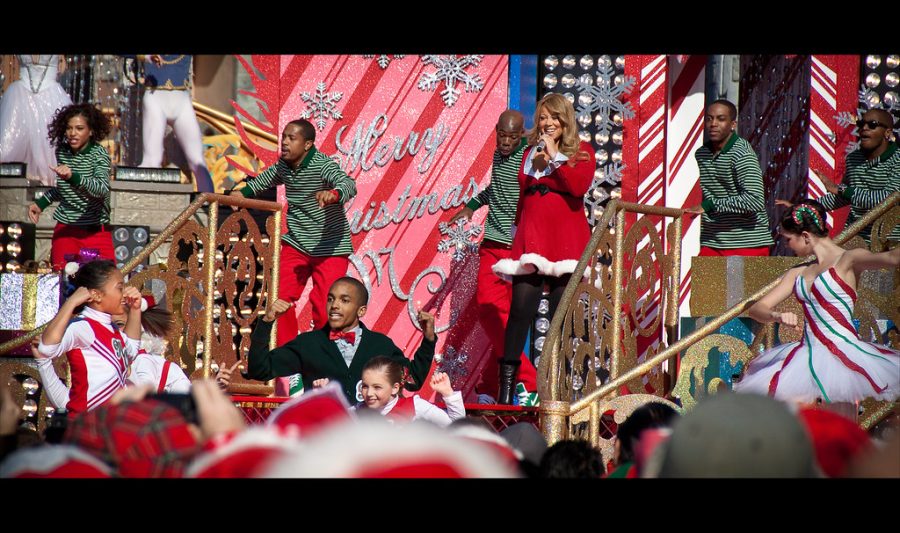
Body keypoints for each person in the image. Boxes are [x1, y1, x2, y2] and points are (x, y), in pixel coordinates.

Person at [733, 201, 900, 409]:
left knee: (839, 422)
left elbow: (893, 258)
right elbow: (757, 308)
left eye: (788, 239)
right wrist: (776, 316)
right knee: (797, 419)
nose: (787, 245)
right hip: (805, 355)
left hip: (844, 355)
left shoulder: (848, 260)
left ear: (805, 236)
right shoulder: (798, 273)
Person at [492, 93, 596, 404]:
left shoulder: (583, 153)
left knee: (560, 319)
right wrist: (516, 236)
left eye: (553, 117)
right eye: (543, 117)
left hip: (566, 242)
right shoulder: (528, 154)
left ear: (565, 121)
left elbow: (577, 187)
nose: (547, 123)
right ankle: (507, 391)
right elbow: (524, 196)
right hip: (533, 239)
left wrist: (554, 155)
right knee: (520, 311)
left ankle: (561, 391)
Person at [233, 118, 358, 349]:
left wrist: (334, 194)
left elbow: (347, 183)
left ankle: (323, 353)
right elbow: (265, 179)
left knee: (325, 307)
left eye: (292, 138)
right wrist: (242, 194)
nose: (285, 143)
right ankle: (289, 355)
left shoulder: (322, 165)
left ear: (307, 144)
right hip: (298, 244)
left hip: (330, 247)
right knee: (278, 300)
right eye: (284, 138)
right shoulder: (284, 166)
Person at [448, 109, 538, 402]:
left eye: (514, 136)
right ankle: (492, 384)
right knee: (493, 311)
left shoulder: (528, 156)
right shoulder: (498, 155)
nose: (507, 142)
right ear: (496, 131)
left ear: (521, 135)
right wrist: (471, 206)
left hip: (514, 245)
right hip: (492, 241)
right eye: (503, 135)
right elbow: (496, 189)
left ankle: (527, 382)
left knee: (497, 311)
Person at [246, 277, 436, 403]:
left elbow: (412, 380)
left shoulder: (381, 345)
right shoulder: (308, 343)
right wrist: (267, 322)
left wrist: (428, 340)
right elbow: (260, 369)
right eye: (330, 299)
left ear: (361, 310)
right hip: (322, 442)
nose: (334, 305)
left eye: (344, 300)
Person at [35, 260, 143, 415]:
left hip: (107, 427)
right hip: (85, 428)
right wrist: (71, 302)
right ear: (96, 295)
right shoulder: (82, 327)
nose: (125, 293)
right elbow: (47, 348)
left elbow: (131, 351)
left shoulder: (112, 328)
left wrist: (135, 309)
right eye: (120, 288)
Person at [777, 108, 899, 243]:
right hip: (856, 238)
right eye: (861, 124)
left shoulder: (897, 159)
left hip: (889, 241)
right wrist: (803, 207)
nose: (864, 128)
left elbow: (890, 199)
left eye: (872, 125)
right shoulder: (854, 159)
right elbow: (843, 197)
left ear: (887, 132)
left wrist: (843, 190)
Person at [28, 103, 115, 270]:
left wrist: (73, 176)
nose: (72, 133)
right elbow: (64, 189)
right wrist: (41, 204)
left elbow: (101, 188)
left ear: (91, 131)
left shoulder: (99, 154)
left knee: (106, 283)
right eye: (69, 128)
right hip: (66, 230)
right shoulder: (62, 152)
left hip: (95, 231)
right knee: (63, 283)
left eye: (79, 128)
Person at [685, 99, 773, 256]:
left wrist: (710, 205)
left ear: (733, 124)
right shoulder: (702, 154)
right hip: (712, 241)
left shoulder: (742, 153)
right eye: (709, 118)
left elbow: (755, 200)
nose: (713, 124)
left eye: (721, 119)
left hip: (745, 243)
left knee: (734, 282)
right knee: (703, 282)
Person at [132, 54, 214, 193]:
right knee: (152, 160)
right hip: (155, 99)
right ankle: (146, 204)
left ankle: (210, 208)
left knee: (197, 161)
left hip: (181, 101)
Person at [0, 54, 72, 185]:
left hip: (52, 98)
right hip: (20, 96)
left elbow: (62, 67)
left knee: (51, 146)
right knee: (7, 146)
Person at [348, 356, 465, 427]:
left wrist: (448, 394)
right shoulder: (355, 412)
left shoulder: (415, 407)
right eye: (364, 386)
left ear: (395, 388)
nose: (369, 393)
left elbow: (458, 429)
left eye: (377, 387)